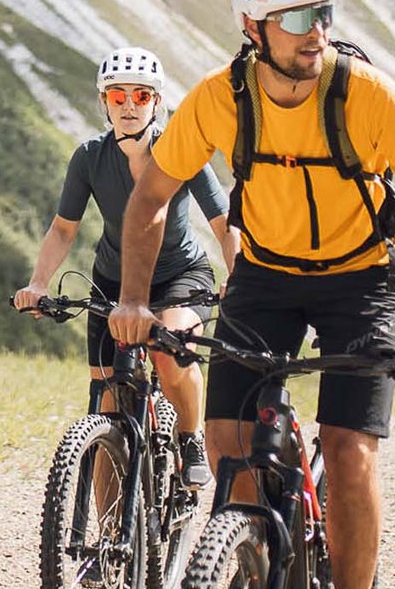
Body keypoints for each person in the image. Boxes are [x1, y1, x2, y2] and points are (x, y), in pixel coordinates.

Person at [112, 0, 395, 589]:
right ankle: (255, 554)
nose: (318, 31)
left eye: (325, 14)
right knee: (227, 442)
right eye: (300, 17)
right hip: (267, 276)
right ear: (255, 28)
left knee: (347, 452)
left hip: (362, 279)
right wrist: (131, 299)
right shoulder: (221, 99)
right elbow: (151, 197)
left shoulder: (366, 94)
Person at [15, 46, 235, 486]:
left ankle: (190, 436)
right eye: (118, 97)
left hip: (180, 276)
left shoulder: (181, 149)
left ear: (157, 101)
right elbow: (63, 229)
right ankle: (111, 542)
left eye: (140, 96)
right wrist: (38, 283)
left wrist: (240, 277)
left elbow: (223, 221)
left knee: (168, 350)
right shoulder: (90, 158)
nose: (129, 106)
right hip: (111, 281)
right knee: (107, 408)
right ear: (104, 102)